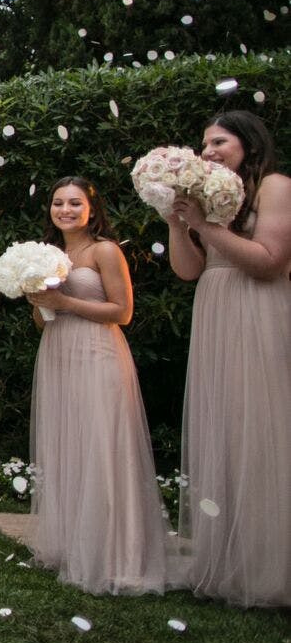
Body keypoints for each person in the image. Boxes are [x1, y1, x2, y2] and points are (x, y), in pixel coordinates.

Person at [167, 111, 291, 606]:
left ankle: (268, 567)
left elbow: (269, 261)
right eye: (204, 144)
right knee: (225, 433)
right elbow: (188, 271)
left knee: (261, 430)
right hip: (215, 312)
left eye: (218, 141)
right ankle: (227, 561)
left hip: (259, 311)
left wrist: (205, 225)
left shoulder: (275, 186)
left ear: (249, 143)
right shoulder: (208, 196)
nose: (208, 151)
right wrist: (178, 226)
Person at [25, 177, 166, 595]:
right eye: (57, 203)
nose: (65, 210)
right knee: (69, 443)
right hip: (58, 351)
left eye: (74, 203)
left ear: (91, 209)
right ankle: (75, 544)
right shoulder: (50, 255)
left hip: (98, 351)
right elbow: (41, 320)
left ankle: (115, 554)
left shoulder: (105, 250)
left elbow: (122, 312)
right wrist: (40, 300)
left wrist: (65, 302)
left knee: (103, 445)